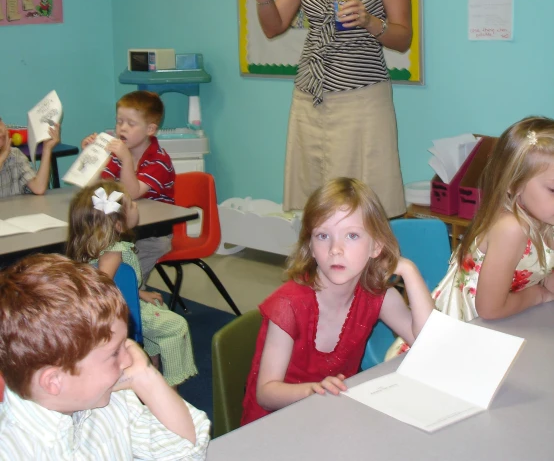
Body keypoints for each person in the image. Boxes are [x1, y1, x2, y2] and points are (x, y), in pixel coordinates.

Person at [233, 0, 412, 217]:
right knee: (317, 208)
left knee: (363, 206)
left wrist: (369, 20)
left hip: (362, 101)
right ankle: (320, 272)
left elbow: (402, 37)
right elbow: (273, 26)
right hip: (310, 97)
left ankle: (368, 272)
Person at [240, 178, 434, 425]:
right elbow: (266, 393)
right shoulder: (289, 305)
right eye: (323, 236)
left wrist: (408, 269)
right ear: (309, 245)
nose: (335, 249)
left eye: (352, 235)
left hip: (332, 415)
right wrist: (314, 391)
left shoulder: (376, 294)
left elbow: (428, 343)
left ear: (376, 247)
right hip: (275, 424)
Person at [0, 253, 210, 460]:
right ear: (54, 381)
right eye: (114, 353)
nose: (129, 359)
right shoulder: (13, 449)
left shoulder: (110, 399)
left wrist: (147, 377)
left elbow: (186, 451)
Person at [387, 116, 554, 359]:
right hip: (453, 339)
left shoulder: (544, 219)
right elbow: (490, 308)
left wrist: (543, 292)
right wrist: (537, 295)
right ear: (513, 184)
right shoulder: (512, 228)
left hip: (500, 329)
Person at [66, 181, 197, 387]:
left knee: (158, 308)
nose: (137, 207)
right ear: (118, 224)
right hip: (122, 313)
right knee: (176, 326)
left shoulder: (95, 246)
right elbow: (99, 286)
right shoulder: (113, 251)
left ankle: (150, 366)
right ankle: (172, 383)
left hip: (125, 305)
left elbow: (120, 281)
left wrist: (140, 293)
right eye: (132, 205)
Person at [82, 90, 175, 282]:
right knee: (91, 252)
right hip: (122, 227)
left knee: (127, 279)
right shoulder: (118, 155)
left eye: (130, 124)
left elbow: (132, 193)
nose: (122, 128)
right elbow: (98, 188)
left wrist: (125, 159)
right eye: (119, 121)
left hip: (152, 236)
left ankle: (134, 295)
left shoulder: (159, 160)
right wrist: (92, 157)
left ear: (150, 129)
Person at [0, 117, 60, 197]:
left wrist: (47, 149)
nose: (1, 131)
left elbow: (39, 188)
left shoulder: (15, 155)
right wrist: (2, 158)